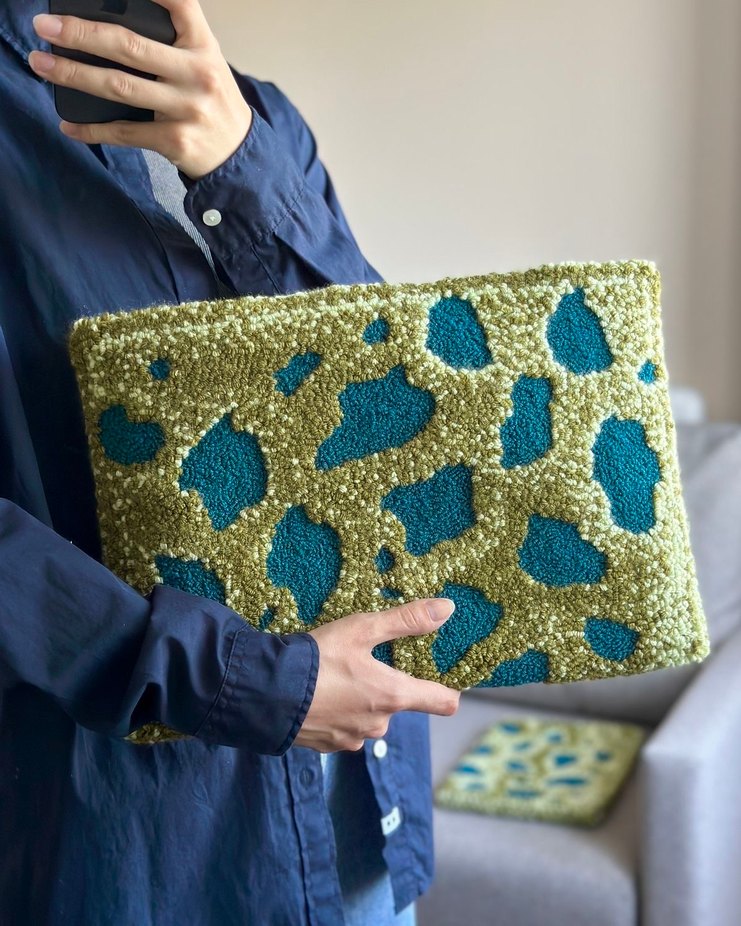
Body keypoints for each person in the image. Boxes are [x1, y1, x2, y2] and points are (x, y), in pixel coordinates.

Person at [0, 1, 461, 924]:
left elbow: (389, 399)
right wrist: (245, 683)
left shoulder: (260, 119)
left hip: (358, 824)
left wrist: (241, 165)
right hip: (142, 856)